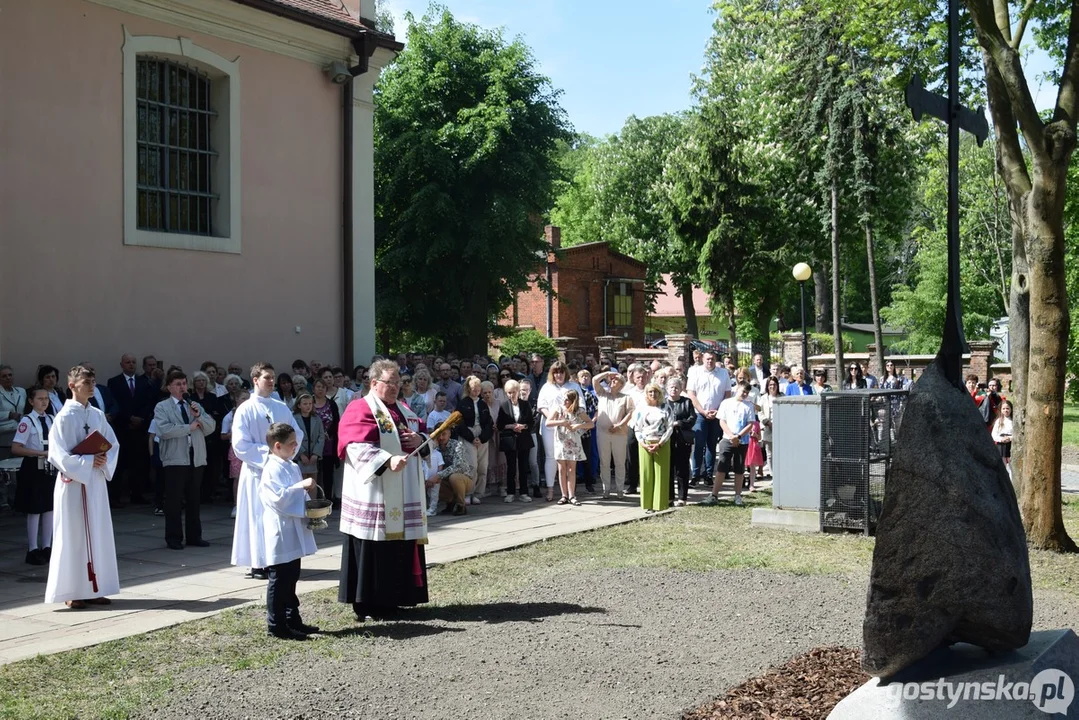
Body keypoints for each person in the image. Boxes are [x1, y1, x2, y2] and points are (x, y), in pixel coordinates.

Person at [337, 359, 429, 621]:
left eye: (398, 383)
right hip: (375, 492)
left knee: (399, 546)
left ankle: (395, 600)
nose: (395, 388)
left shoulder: (404, 410)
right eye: (390, 383)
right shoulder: (360, 408)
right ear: (374, 383)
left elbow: (422, 434)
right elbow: (353, 445)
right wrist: (386, 460)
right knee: (374, 548)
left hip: (403, 490)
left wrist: (419, 439)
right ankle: (369, 604)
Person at [45, 365, 121, 608]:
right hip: (74, 483)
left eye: (92, 381)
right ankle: (70, 590)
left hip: (95, 482)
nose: (90, 386)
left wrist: (103, 459)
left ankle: (94, 587)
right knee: (73, 534)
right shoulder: (64, 417)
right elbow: (57, 454)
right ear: (72, 386)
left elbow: (113, 445)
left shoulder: (97, 415)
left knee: (97, 533)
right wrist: (88, 461)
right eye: (85, 382)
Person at [231, 363, 303, 581]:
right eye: (267, 378)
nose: (271, 381)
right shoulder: (245, 409)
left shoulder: (281, 407)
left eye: (273, 377)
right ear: (255, 380)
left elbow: (296, 434)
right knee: (257, 516)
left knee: (276, 517)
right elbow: (240, 444)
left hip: (279, 472)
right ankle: (257, 562)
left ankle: (276, 557)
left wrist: (285, 453)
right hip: (256, 472)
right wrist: (271, 455)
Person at [259, 422, 319, 640]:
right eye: (292, 444)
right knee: (279, 578)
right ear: (277, 446)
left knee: (292, 576)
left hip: (293, 528)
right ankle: (276, 624)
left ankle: (293, 618)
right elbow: (278, 499)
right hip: (280, 529)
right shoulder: (271, 469)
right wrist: (301, 487)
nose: (296, 447)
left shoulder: (291, 466)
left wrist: (309, 502)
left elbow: (297, 496)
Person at [154, 369, 215, 550]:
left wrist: (198, 416)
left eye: (183, 383)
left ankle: (194, 536)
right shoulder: (162, 407)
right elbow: (165, 431)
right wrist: (189, 427)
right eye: (178, 384)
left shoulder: (193, 404)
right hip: (175, 459)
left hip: (195, 457)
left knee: (194, 498)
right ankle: (173, 538)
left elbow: (211, 427)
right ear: (169, 387)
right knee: (173, 500)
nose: (182, 387)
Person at [12, 387, 55, 564]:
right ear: (31, 401)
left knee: (49, 508)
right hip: (32, 466)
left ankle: (46, 546)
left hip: (49, 467)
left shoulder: (52, 419)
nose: (44, 402)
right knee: (34, 508)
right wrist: (39, 453)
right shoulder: (27, 421)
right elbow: (16, 448)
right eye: (39, 399)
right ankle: (32, 549)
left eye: (46, 398)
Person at [106, 354, 153, 507]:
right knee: (120, 464)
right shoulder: (114, 382)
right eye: (128, 362)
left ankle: (137, 494)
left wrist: (141, 419)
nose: (131, 365)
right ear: (122, 364)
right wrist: (129, 418)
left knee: (138, 464)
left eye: (133, 362)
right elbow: (116, 403)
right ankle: (116, 497)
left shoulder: (143, 382)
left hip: (139, 428)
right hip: (123, 428)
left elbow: (148, 403)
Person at [536, 361, 583, 502]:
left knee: (569, 460)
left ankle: (570, 493)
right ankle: (550, 489)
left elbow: (580, 406)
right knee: (551, 456)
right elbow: (541, 406)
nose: (559, 375)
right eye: (556, 372)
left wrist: (570, 422)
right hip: (550, 426)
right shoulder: (547, 387)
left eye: (561, 372)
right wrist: (553, 417)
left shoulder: (574, 386)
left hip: (568, 428)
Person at [704, 382, 755, 507]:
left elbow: (750, 424)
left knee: (739, 468)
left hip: (742, 441)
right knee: (722, 467)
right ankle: (714, 495)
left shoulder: (748, 406)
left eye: (747, 393)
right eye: (743, 391)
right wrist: (731, 435)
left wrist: (738, 436)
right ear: (737, 389)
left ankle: (737, 495)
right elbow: (722, 421)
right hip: (727, 439)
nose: (744, 394)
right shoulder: (726, 403)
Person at [686, 350, 730, 487]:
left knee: (712, 445)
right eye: (707, 359)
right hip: (700, 414)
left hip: (717, 414)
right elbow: (692, 394)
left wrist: (718, 411)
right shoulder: (695, 372)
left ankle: (709, 475)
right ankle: (696, 475)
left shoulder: (723, 373)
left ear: (715, 359)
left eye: (712, 359)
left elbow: (727, 394)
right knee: (699, 445)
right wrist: (703, 411)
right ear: (703, 359)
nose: (709, 361)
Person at [629, 384, 673, 514]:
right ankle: (648, 504)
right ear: (646, 394)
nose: (653, 394)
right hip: (645, 443)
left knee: (661, 473)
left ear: (659, 393)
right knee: (646, 474)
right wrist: (643, 443)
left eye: (655, 392)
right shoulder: (641, 408)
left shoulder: (666, 408)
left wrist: (660, 443)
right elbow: (637, 427)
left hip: (661, 443)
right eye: (650, 392)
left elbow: (669, 427)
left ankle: (660, 504)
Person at [545, 390, 592, 506]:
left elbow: (591, 424)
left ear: (573, 401)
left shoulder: (579, 411)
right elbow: (548, 422)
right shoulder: (559, 408)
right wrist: (561, 422)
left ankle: (572, 495)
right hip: (561, 440)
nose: (564, 401)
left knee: (571, 469)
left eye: (567, 399)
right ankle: (563, 495)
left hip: (573, 441)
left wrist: (579, 425)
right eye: (564, 399)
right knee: (562, 469)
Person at [592, 370, 633, 499]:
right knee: (604, 461)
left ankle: (620, 489)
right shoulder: (602, 394)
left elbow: (630, 412)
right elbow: (594, 380)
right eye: (612, 380)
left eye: (616, 380)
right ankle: (606, 488)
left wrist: (620, 425)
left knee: (620, 462)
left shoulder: (626, 397)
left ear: (621, 384)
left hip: (619, 433)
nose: (612, 381)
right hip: (602, 432)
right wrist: (607, 373)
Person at [455, 376, 493, 504]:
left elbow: (489, 423)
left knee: (483, 466)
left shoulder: (483, 404)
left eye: (478, 389)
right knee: (472, 465)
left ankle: (478, 492)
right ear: (468, 388)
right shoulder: (463, 403)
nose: (476, 391)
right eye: (473, 388)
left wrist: (482, 438)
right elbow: (459, 423)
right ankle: (468, 492)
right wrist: (471, 437)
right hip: (468, 434)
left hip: (481, 434)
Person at [496, 379, 534, 503]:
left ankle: (524, 492)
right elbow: (500, 425)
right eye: (509, 392)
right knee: (511, 467)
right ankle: (511, 492)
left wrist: (523, 426)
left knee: (523, 466)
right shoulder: (504, 406)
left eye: (514, 392)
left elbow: (531, 422)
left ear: (518, 391)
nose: (512, 395)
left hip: (523, 438)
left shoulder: (525, 404)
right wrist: (511, 426)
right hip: (510, 439)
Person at [664, 376, 695, 507]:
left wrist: (679, 423)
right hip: (667, 439)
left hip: (683, 440)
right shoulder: (663, 403)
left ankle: (682, 497)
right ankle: (669, 497)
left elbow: (692, 418)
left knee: (682, 469)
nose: (674, 389)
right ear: (667, 389)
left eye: (676, 387)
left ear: (681, 389)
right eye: (671, 387)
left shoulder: (687, 402)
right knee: (669, 469)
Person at [434, 428, 473, 516]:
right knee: (430, 480)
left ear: (449, 434)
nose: (441, 437)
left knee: (454, 477)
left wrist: (439, 475)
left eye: (444, 434)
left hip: (463, 479)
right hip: (445, 479)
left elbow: (457, 466)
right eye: (438, 434)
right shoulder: (434, 447)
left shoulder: (457, 445)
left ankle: (461, 505)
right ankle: (451, 502)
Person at [292, 392, 324, 481]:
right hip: (300, 456)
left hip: (313, 455)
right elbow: (293, 437)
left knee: (313, 482)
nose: (308, 406)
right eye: (305, 404)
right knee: (301, 481)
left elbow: (321, 437)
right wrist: (301, 454)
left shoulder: (317, 419)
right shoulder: (293, 418)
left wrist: (316, 454)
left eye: (310, 403)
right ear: (299, 405)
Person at [1, 365, 29, 460]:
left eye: (10, 375)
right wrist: (9, 414)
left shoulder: (21, 391)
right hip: (4, 437)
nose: (8, 378)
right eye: (4, 376)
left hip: (20, 436)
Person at [758, 376, 781, 478]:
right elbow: (760, 412)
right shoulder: (763, 398)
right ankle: (773, 475)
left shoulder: (782, 397)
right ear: (767, 386)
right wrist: (768, 423)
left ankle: (780, 473)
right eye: (770, 385)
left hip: (781, 427)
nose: (772, 387)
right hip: (768, 428)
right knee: (770, 454)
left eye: (774, 384)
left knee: (780, 453)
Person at [992, 400, 1013, 464]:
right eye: (1003, 409)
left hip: (1011, 443)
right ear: (1001, 410)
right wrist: (1001, 439)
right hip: (1001, 444)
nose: (1005, 410)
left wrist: (1010, 438)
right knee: (1002, 461)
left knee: (1010, 461)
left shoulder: (1014, 420)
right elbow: (994, 434)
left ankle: (1011, 474)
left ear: (1011, 409)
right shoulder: (999, 421)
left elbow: (1017, 433)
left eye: (1007, 408)